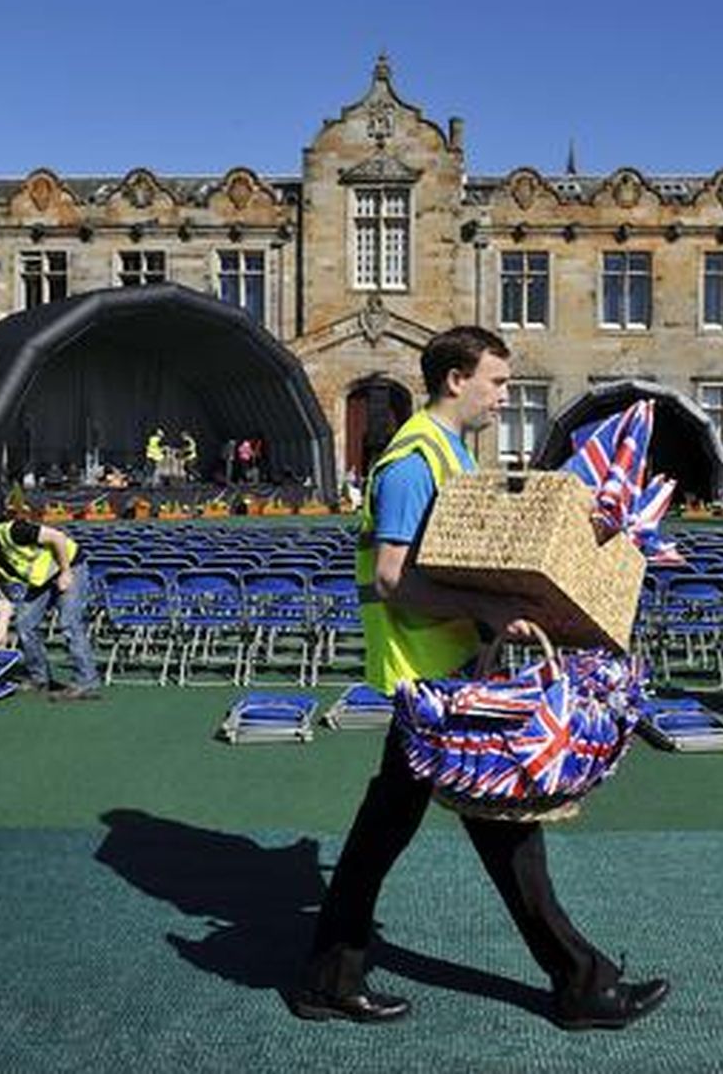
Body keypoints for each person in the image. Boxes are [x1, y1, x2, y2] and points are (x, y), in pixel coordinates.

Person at [290, 326, 668, 1031]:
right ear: (456, 378)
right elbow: (394, 579)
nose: (504, 394)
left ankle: (331, 975)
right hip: (429, 680)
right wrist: (490, 608)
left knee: (419, 832)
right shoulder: (411, 461)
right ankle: (581, 983)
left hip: (449, 673)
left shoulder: (452, 452)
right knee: (495, 831)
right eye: (496, 381)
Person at [0, 495, 100, 701]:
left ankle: (86, 682)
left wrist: (66, 572)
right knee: (24, 624)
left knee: (69, 622)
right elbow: (3, 598)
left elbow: (57, 537)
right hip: (41, 581)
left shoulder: (13, 531)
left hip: (70, 565)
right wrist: (1, 633)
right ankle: (40, 678)